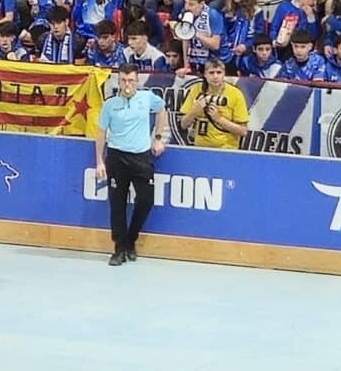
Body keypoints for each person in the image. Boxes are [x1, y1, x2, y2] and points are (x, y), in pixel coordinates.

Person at [92, 64, 170, 266]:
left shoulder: (147, 98)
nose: (127, 84)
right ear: (118, 82)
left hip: (141, 157)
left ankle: (130, 240)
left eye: (131, 80)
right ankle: (119, 249)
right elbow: (101, 132)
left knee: (146, 200)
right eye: (124, 80)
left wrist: (158, 138)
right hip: (117, 157)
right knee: (117, 205)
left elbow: (161, 110)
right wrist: (99, 161)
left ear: (137, 81)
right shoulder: (110, 104)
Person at [174, 56, 249, 149]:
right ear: (205, 74)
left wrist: (219, 119)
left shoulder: (235, 94)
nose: (215, 76)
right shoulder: (196, 89)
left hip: (226, 149)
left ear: (224, 74)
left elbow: (243, 131)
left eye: (219, 72)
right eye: (211, 73)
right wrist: (194, 111)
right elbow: (183, 125)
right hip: (200, 148)